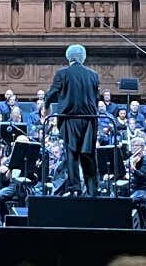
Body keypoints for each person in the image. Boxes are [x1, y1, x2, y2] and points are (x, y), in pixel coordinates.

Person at [43, 43, 100, 196]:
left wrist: (45, 107)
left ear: (69, 58)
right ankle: (93, 190)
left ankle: (75, 189)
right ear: (83, 57)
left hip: (70, 119)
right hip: (89, 119)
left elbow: (52, 93)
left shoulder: (63, 73)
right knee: (88, 154)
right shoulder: (93, 75)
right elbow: (97, 98)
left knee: (72, 154)